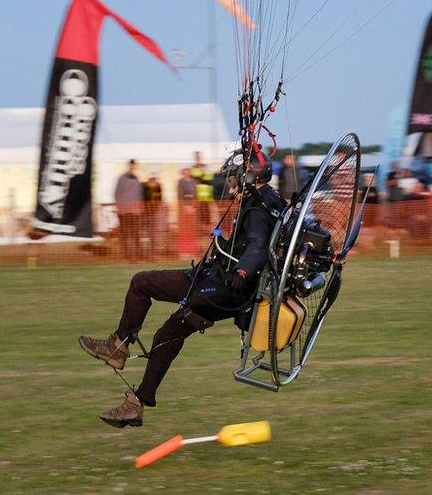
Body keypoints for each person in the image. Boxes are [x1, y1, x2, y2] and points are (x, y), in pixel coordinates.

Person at [79, 149, 286, 428]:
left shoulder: (257, 209)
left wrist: (243, 268)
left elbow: (259, 245)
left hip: (219, 286)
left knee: (141, 283)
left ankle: (118, 346)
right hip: (230, 293)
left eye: (234, 179)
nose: (231, 185)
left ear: (248, 176)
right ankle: (135, 404)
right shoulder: (273, 200)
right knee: (169, 333)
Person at [114, 160, 144, 260]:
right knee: (126, 234)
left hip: (135, 211)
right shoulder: (122, 178)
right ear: (129, 165)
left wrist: (140, 208)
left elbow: (139, 195)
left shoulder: (137, 178)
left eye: (134, 165)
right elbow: (117, 194)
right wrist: (120, 208)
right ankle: (126, 254)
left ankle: (137, 254)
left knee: (136, 234)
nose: (133, 166)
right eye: (131, 165)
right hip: (125, 211)